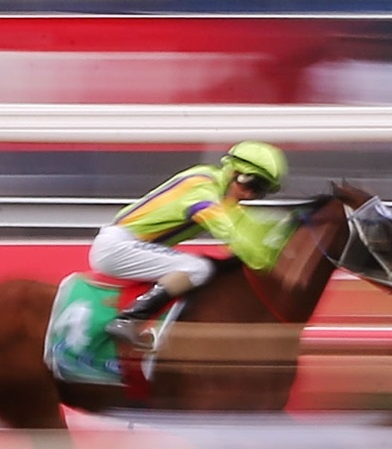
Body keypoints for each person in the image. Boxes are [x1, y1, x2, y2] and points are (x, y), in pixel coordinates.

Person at [97, 141, 295, 350]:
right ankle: (128, 320)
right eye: (250, 185)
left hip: (130, 245)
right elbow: (228, 230)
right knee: (199, 268)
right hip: (118, 245)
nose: (248, 195)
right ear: (233, 172)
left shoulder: (218, 192)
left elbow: (248, 227)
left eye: (259, 192)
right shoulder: (202, 186)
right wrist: (260, 259)